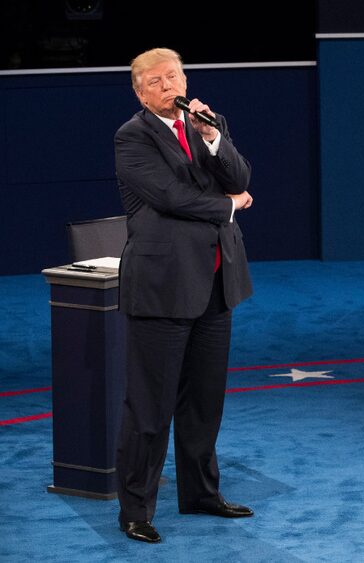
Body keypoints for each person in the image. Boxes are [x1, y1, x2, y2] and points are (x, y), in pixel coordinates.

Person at [114, 47, 255, 543]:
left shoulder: (204, 124)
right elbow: (171, 198)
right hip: (162, 286)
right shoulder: (132, 137)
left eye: (173, 76)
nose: (168, 87)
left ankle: (200, 494)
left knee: (203, 402)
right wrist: (231, 205)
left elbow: (240, 175)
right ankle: (135, 509)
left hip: (216, 283)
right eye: (156, 82)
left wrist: (213, 137)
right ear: (140, 92)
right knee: (149, 408)